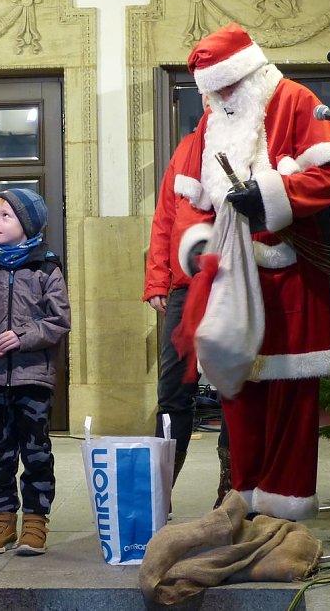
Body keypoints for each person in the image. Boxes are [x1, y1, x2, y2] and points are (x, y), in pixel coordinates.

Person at [171, 23, 330, 521]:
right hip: (233, 282)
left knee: (292, 401)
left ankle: (285, 512)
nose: (222, 99)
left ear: (250, 74)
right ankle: (246, 504)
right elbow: (187, 203)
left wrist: (272, 195)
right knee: (238, 394)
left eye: (228, 87)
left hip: (292, 278)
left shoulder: (295, 100)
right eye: (213, 92)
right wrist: (198, 248)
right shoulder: (209, 127)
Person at [0, 187, 71, 556]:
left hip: (32, 378)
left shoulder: (46, 267)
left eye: (5, 216)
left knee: (35, 450)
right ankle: (2, 520)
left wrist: (20, 337)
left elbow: (58, 320)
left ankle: (36, 521)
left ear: (28, 224)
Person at [143, 94, 233, 505]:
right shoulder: (184, 148)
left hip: (230, 283)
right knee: (172, 391)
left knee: (234, 387)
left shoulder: (248, 142)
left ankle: (231, 489)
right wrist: (157, 281)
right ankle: (160, 490)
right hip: (182, 287)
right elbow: (164, 217)